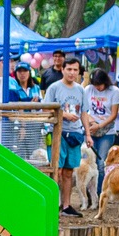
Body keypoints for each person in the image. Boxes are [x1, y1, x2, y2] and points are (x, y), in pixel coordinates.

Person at [44, 56, 87, 216]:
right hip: (58, 133)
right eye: (69, 69)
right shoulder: (54, 88)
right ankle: (52, 205)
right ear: (62, 70)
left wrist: (88, 134)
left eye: (75, 70)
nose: (72, 72)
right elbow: (46, 109)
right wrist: (64, 115)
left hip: (75, 134)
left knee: (69, 171)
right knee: (57, 170)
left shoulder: (81, 90)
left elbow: (84, 113)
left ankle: (66, 205)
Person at [83, 68, 119, 194]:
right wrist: (92, 123)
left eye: (100, 85)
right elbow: (84, 110)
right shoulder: (88, 90)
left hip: (107, 130)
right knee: (88, 161)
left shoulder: (114, 91)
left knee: (101, 162)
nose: (98, 88)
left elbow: (113, 114)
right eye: (95, 85)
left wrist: (99, 126)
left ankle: (100, 192)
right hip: (91, 129)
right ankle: (89, 192)